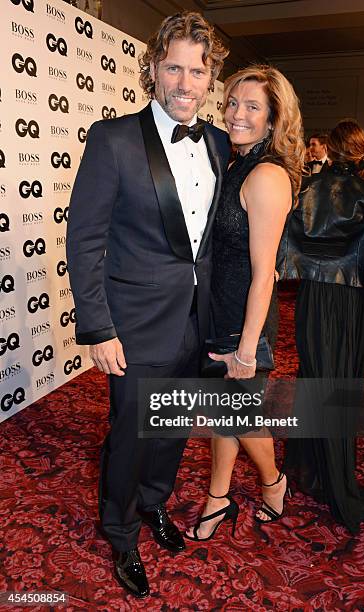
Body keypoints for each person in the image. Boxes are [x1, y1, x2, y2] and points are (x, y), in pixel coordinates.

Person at [66, 11, 230, 598]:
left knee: (174, 430)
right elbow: (84, 238)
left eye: (197, 70)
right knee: (132, 435)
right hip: (133, 326)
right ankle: (120, 533)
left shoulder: (216, 142)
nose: (185, 82)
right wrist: (98, 326)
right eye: (174, 68)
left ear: (211, 78)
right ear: (154, 70)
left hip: (197, 319)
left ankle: (154, 504)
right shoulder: (112, 139)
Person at [185, 64, 305, 540]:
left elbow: (264, 274)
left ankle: (273, 484)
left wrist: (247, 348)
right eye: (233, 102)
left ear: (274, 120)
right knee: (222, 411)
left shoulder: (268, 176)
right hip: (219, 309)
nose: (236, 113)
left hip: (244, 320)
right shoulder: (236, 164)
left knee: (239, 415)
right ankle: (220, 497)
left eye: (252, 106)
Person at [280, 119, 364, 534]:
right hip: (351, 299)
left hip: (312, 297)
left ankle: (306, 469)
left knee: (312, 380)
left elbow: (289, 246)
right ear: (361, 150)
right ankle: (336, 482)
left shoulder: (305, 189)